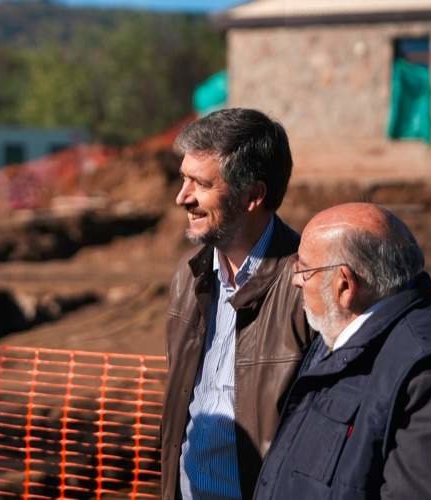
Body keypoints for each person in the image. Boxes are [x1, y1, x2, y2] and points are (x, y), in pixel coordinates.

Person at [253, 203, 431, 499]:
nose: (295, 281)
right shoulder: (339, 331)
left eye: (304, 271)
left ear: (344, 285)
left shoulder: (424, 370)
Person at [161, 108, 314, 500]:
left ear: (253, 196)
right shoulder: (189, 276)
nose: (182, 197)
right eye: (183, 179)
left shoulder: (307, 286)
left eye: (200, 184)